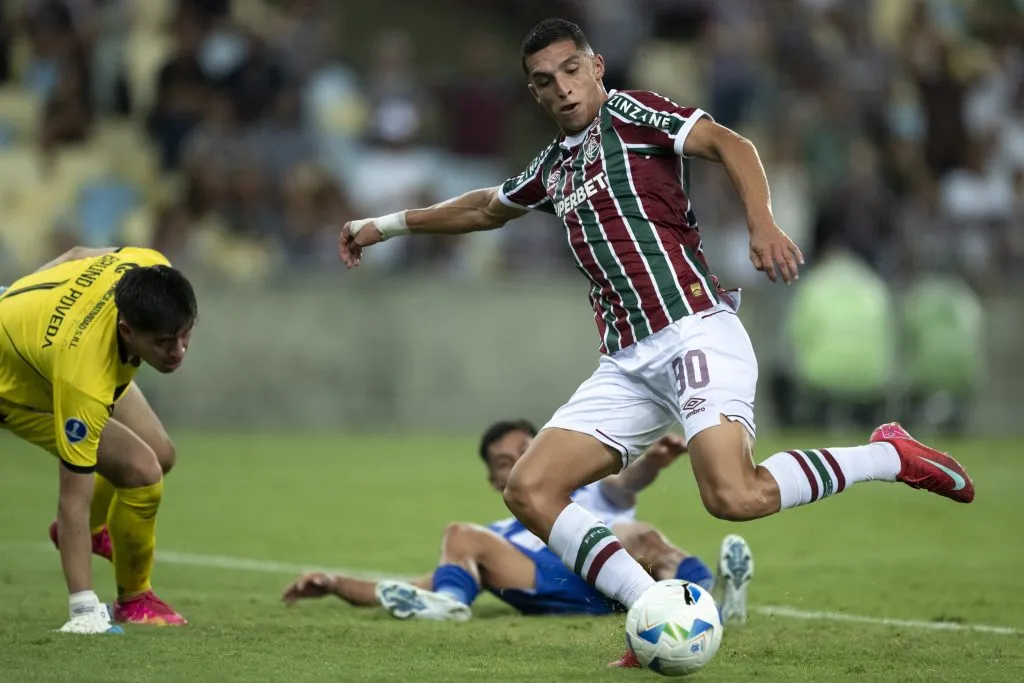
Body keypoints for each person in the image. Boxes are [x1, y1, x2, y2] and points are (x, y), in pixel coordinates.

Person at [336, 17, 974, 664]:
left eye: (570, 70)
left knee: (733, 495)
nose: (561, 87)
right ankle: (652, 606)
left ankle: (889, 455)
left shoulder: (634, 115)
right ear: (534, 93)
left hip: (693, 328)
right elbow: (484, 207)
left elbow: (732, 144)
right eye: (543, 81)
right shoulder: (553, 168)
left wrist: (762, 225)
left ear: (597, 67)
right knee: (529, 489)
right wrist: (383, 226)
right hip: (626, 363)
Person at [281, 420, 754, 635]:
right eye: (509, 463)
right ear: (494, 478)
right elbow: (413, 584)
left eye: (530, 452)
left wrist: (652, 460)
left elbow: (627, 482)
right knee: (459, 535)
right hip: (548, 579)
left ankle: (714, 603)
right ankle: (448, 607)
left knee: (634, 533)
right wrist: (337, 585)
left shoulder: (589, 491)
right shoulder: (496, 536)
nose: (525, 465)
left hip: (623, 575)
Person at [0, 246, 196, 634]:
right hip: (17, 388)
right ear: (128, 330)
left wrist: (21, 296)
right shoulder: (82, 380)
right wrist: (84, 611)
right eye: (163, 342)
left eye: (184, 334)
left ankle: (90, 533)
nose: (179, 351)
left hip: (62, 337)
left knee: (162, 454)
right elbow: (72, 498)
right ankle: (134, 599)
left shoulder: (150, 266)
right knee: (142, 471)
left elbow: (74, 254)